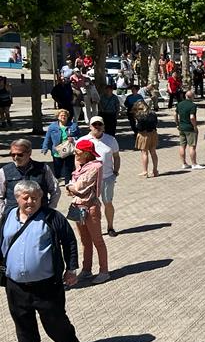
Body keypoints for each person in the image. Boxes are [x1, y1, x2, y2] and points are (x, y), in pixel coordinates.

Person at [1, 180, 82, 342]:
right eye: (25, 197)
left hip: (47, 285)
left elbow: (69, 241)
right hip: (15, 285)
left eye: (35, 197)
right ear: (17, 198)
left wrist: (71, 269)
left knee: (55, 322)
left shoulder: (52, 217)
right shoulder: (9, 215)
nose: (30, 201)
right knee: (22, 322)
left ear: (41, 198)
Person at [66, 139, 110, 283]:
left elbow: (78, 187)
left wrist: (69, 187)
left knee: (97, 240)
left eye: (77, 151)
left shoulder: (94, 167)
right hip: (78, 207)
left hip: (90, 208)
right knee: (85, 241)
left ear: (86, 153)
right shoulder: (81, 164)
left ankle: (104, 272)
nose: (75, 153)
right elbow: (75, 186)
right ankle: (86, 270)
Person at [0, 139, 61, 220]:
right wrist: (5, 213)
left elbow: (55, 190)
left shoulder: (43, 168)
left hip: (41, 216)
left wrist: (49, 209)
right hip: (14, 217)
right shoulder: (4, 171)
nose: (16, 157)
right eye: (12, 154)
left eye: (20, 154)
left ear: (29, 153)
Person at [84, 116, 120, 237]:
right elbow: (78, 159)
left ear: (103, 126)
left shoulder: (111, 140)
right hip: (90, 179)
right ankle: (93, 229)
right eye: (95, 125)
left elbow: (116, 156)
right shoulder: (84, 140)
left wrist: (115, 172)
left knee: (107, 202)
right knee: (90, 205)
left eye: (100, 124)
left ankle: (110, 227)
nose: (97, 127)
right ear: (90, 127)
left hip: (107, 177)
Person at [42, 110, 79, 184]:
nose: (63, 117)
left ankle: (67, 183)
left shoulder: (73, 126)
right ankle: (58, 178)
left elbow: (79, 136)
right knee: (57, 167)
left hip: (69, 150)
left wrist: (74, 139)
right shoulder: (52, 126)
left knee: (69, 167)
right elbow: (47, 137)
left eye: (65, 115)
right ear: (58, 117)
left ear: (68, 116)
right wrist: (45, 147)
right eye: (61, 115)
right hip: (57, 151)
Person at [175, 89, 203, 170]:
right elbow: (192, 117)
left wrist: (177, 124)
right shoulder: (192, 105)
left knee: (182, 146)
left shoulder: (179, 104)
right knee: (192, 146)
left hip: (181, 127)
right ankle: (194, 164)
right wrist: (195, 126)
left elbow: (175, 115)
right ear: (192, 97)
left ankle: (184, 163)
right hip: (190, 128)